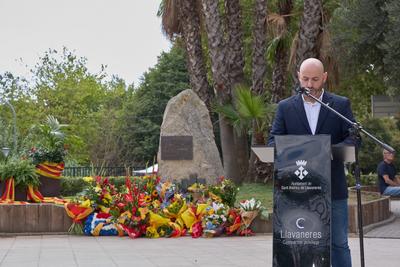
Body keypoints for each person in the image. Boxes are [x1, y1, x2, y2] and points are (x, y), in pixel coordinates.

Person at [268, 58, 357, 267]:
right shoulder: (285, 107)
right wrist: (301, 150)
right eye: (305, 79)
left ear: (324, 78)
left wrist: (326, 152)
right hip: (296, 191)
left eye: (315, 80)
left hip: (333, 188)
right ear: (299, 77)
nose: (309, 85)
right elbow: (274, 141)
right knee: (297, 245)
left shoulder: (340, 105)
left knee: (339, 244)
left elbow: (353, 138)